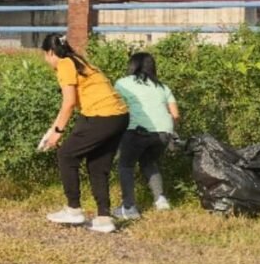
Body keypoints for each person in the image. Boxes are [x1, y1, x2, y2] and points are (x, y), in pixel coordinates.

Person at [40, 33, 129, 234]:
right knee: (97, 165)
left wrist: (58, 132)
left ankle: (73, 209)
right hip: (119, 116)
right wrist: (51, 130)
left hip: (101, 115)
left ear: (50, 52)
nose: (47, 61)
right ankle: (104, 218)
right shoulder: (79, 61)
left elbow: (69, 102)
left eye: (45, 56)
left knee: (66, 155)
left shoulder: (64, 64)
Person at [112, 52, 180, 219]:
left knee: (126, 165)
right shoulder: (163, 87)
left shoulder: (123, 83)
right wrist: (170, 132)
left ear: (132, 66)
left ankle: (129, 207)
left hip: (137, 131)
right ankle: (161, 200)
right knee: (149, 162)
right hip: (164, 132)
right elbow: (175, 115)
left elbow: (115, 108)